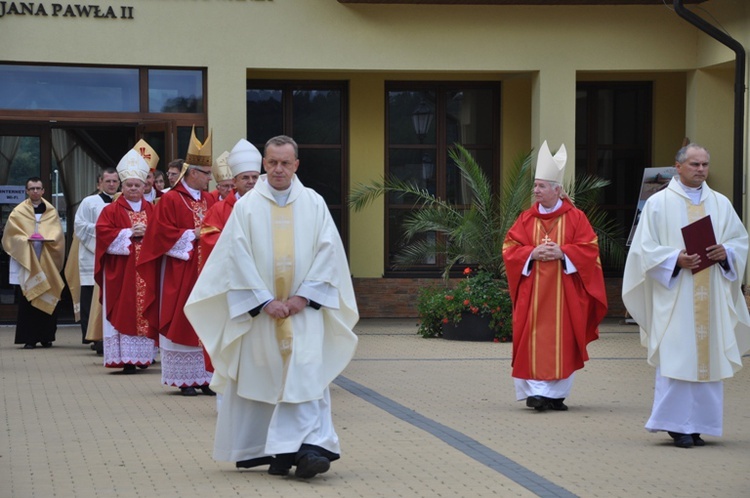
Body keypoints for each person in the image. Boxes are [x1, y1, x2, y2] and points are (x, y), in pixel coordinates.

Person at [184, 135, 358, 479]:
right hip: (263, 314)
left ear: (296, 165)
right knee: (264, 379)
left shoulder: (314, 202)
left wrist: (303, 297)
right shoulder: (247, 207)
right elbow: (235, 257)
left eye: (285, 163)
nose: (278, 169)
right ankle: (277, 453)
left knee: (305, 373)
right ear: (264, 164)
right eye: (272, 163)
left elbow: (329, 255)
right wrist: (263, 301)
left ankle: (311, 448)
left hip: (304, 312)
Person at [622, 143, 750, 448]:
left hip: (713, 294)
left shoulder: (720, 203)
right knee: (678, 357)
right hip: (676, 294)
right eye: (694, 165)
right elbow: (643, 250)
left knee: (709, 359)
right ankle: (677, 425)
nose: (701, 170)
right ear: (678, 167)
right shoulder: (658, 204)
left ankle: (700, 425)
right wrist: (673, 260)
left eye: (705, 164)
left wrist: (726, 253)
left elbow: (739, 241)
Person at [502, 141, 607, 411]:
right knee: (531, 338)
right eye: (535, 186)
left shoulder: (576, 218)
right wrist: (531, 253)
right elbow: (509, 248)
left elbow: (590, 250)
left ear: (557, 189)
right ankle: (537, 393)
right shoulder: (526, 219)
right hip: (533, 294)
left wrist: (564, 253)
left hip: (565, 293)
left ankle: (555, 394)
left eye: (542, 186)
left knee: (564, 338)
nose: (536, 190)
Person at [137, 128, 216, 396]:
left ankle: (205, 377)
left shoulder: (209, 199)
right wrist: (190, 234)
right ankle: (184, 380)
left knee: (204, 320)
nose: (210, 178)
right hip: (179, 271)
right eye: (207, 173)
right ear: (193, 172)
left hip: (205, 272)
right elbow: (157, 234)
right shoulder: (170, 199)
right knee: (181, 318)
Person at [95, 150, 157, 374]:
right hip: (122, 273)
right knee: (125, 309)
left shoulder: (154, 210)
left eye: (137, 185)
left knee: (146, 308)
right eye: (128, 185)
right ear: (122, 186)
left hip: (147, 271)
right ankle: (126, 359)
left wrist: (150, 232)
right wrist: (129, 232)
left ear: (144, 187)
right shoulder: (110, 210)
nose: (132, 189)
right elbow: (102, 236)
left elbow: (163, 235)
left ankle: (144, 358)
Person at [2, 177, 65, 349]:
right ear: (26, 191)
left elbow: (58, 235)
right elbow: (11, 235)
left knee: (48, 292)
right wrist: (25, 240)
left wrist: (48, 239)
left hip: (47, 259)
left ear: (43, 191)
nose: (35, 191)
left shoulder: (51, 211)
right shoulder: (18, 211)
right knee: (28, 298)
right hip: (27, 260)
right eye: (32, 188)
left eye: (38, 188)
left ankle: (46, 336)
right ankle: (29, 338)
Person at [72, 168, 120, 347]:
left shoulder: (123, 202)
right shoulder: (89, 202)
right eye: (108, 181)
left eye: (115, 181)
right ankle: (93, 337)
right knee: (90, 300)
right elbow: (80, 226)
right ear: (99, 183)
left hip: (116, 259)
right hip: (92, 257)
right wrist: (105, 233)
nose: (112, 184)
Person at [199, 139, 261, 262]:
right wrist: (241, 246)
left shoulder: (268, 205)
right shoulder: (219, 209)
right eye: (245, 177)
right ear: (234, 181)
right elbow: (208, 238)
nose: (251, 181)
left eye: (255, 177)